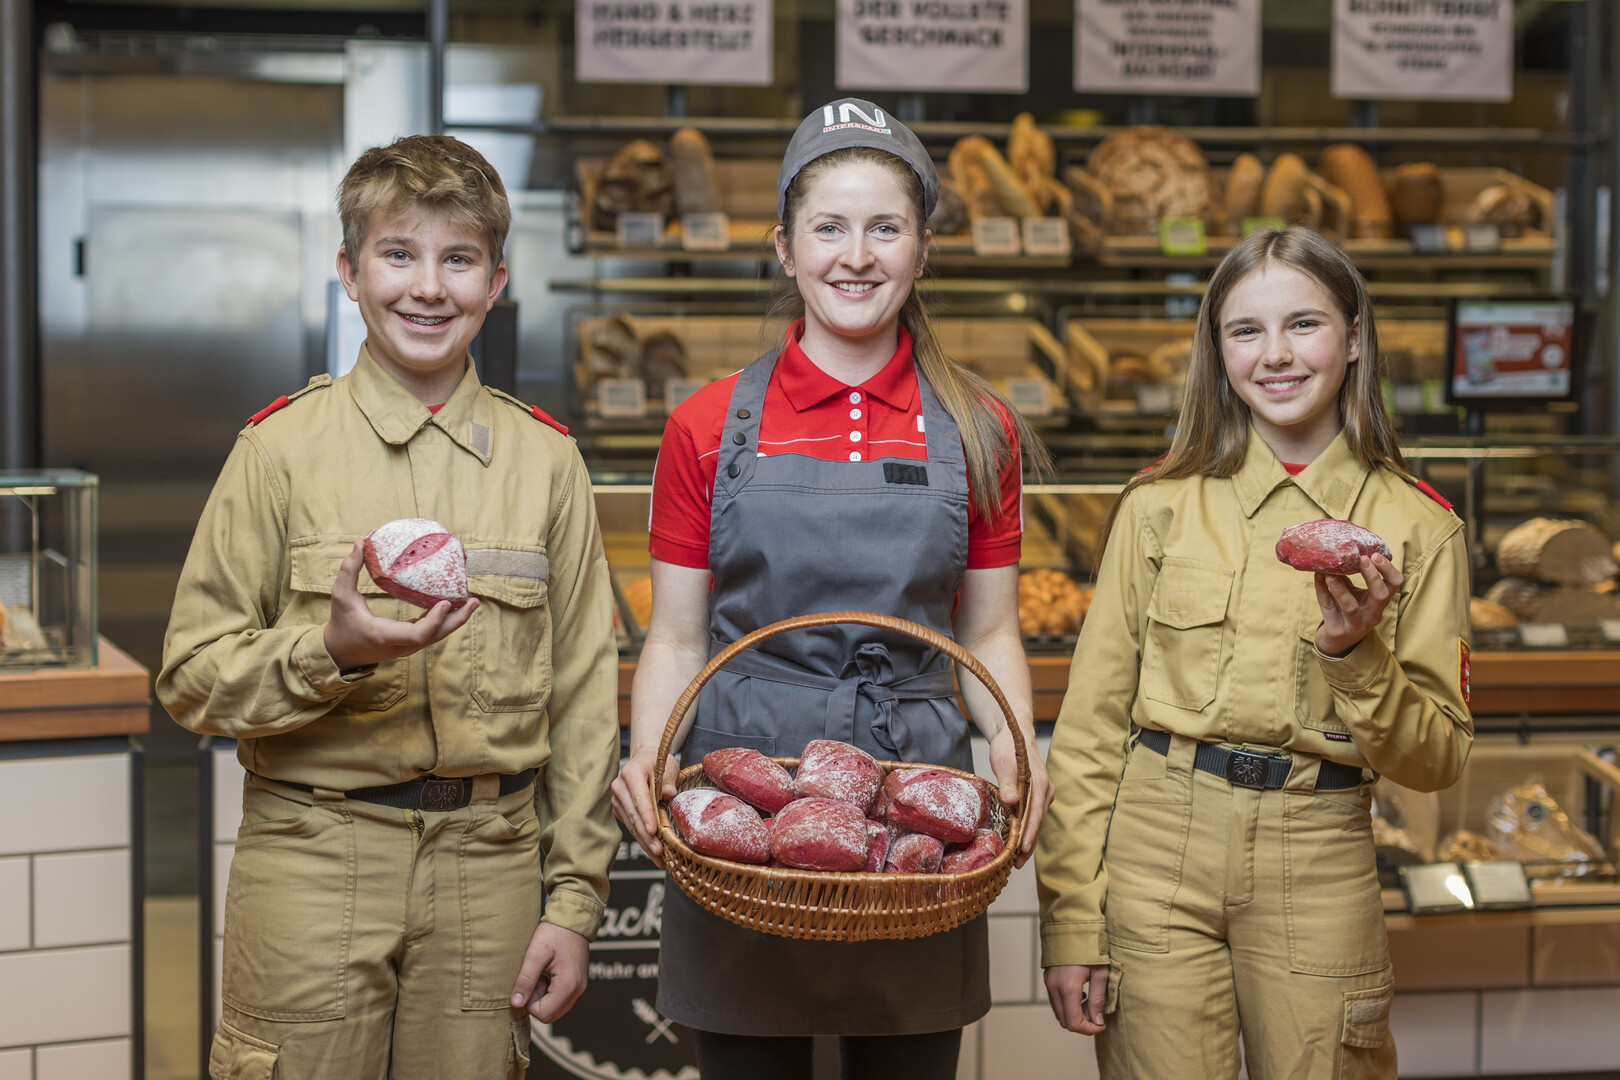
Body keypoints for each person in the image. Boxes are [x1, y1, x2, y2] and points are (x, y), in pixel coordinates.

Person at [158, 134, 621, 1080]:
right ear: (349, 270)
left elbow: (583, 702)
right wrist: (329, 652)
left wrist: (573, 906)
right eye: (397, 254)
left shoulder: (548, 463)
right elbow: (190, 678)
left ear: (496, 282)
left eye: (458, 259)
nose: (427, 288)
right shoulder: (277, 452)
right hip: (311, 853)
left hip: (490, 863)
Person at [609, 98, 1053, 1080]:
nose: (857, 256)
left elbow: (986, 635)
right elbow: (677, 639)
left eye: (885, 227)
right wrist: (649, 758)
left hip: (913, 806)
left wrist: (1016, 752)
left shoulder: (981, 427)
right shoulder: (704, 425)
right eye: (829, 227)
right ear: (785, 247)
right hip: (741, 800)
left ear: (924, 250)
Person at [1036, 225, 1474, 1079]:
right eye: (1246, 331)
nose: (1275, 355)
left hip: (1318, 850)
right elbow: (1089, 734)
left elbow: (1438, 760)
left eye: (1303, 325)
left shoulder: (1420, 527)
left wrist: (1357, 654)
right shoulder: (1159, 505)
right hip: (1156, 846)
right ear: (1218, 350)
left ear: (1353, 339)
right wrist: (1072, 919)